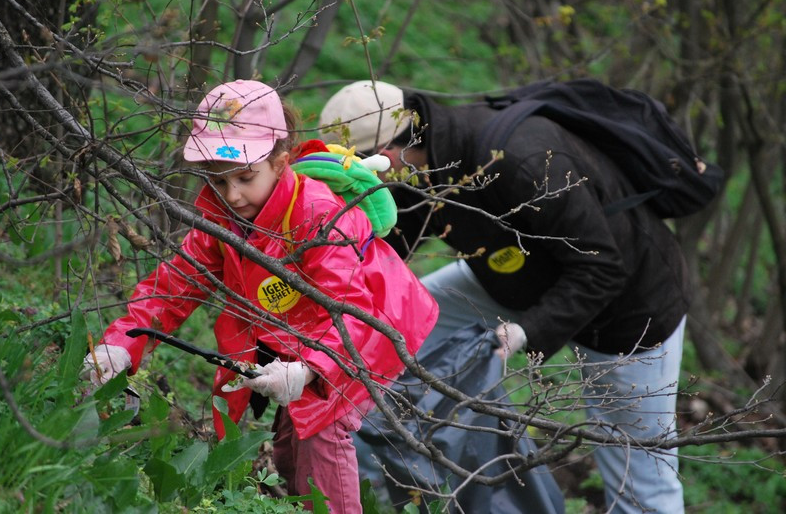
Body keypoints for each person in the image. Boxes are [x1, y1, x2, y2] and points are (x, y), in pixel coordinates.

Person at [319, 80, 691, 513]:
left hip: (630, 307)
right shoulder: (426, 162)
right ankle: (367, 476)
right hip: (514, 275)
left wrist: (525, 332)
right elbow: (395, 242)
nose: (362, 180)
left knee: (637, 472)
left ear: (389, 151)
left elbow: (602, 267)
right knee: (400, 325)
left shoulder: (519, 159)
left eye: (361, 167)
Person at [82, 79, 439, 513]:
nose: (232, 194)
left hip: (372, 325)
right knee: (290, 449)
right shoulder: (222, 219)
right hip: (303, 330)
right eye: (218, 180)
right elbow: (174, 285)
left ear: (280, 162)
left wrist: (310, 369)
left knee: (322, 428)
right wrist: (122, 343)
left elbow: (352, 311)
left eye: (246, 177)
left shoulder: (316, 214)